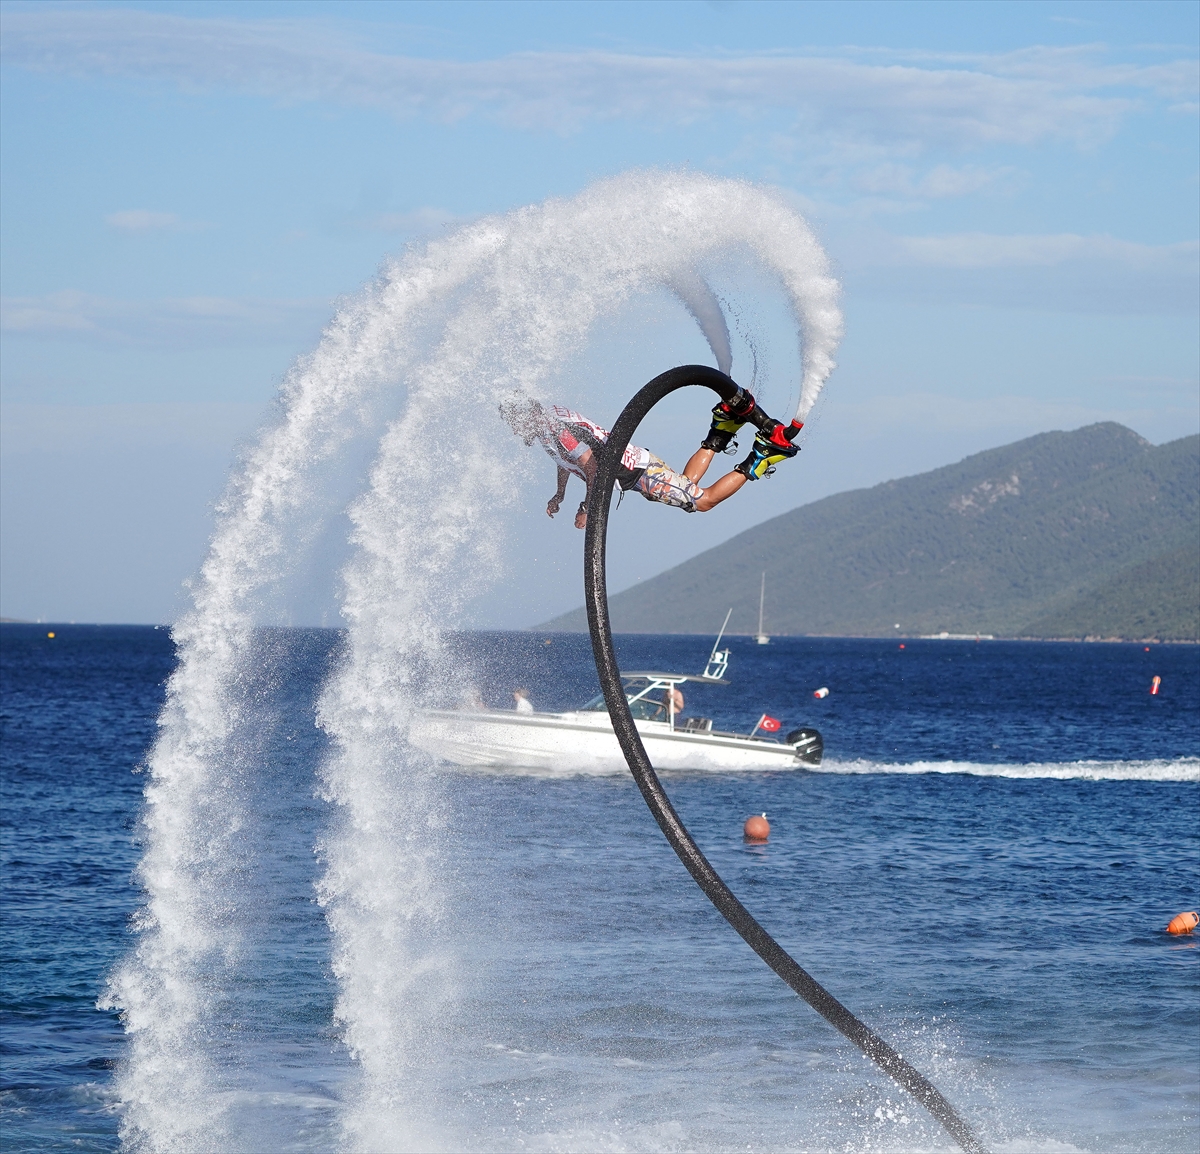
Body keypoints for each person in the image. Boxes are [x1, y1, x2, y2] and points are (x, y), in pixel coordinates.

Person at [501, 390, 801, 529]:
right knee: (687, 486)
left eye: (514, 423)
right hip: (639, 468)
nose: (514, 430)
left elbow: (592, 469)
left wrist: (586, 509)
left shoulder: (558, 430)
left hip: (639, 471)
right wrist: (560, 494)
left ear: (526, 415)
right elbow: (567, 460)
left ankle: (762, 454)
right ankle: (721, 431)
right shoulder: (548, 426)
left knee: (702, 502)